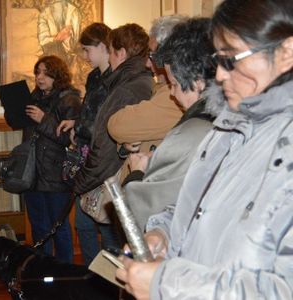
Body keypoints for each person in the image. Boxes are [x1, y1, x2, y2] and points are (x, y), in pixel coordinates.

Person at [117, 0, 293, 298]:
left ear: (286, 53)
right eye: (218, 60)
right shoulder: (229, 125)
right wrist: (165, 233)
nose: (220, 75)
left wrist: (165, 284)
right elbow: (201, 206)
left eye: (231, 59)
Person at [116, 18, 216, 232]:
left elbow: (135, 217)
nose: (172, 93)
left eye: (176, 85)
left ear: (198, 81)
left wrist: (138, 173)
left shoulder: (193, 131)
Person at [72, 23, 153, 253]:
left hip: (109, 175)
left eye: (111, 50)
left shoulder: (128, 88)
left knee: (111, 243)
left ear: (121, 53)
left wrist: (82, 181)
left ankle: (97, 287)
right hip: (106, 171)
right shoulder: (130, 82)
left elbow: (106, 142)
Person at [55, 22, 113, 266]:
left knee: (107, 226)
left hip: (104, 159)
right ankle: (94, 275)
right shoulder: (94, 77)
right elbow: (91, 114)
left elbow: (106, 120)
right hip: (86, 156)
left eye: (88, 50)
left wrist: (79, 126)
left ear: (102, 46)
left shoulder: (116, 78)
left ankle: (112, 280)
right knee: (83, 223)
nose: (85, 56)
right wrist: (76, 122)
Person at [24, 55, 81, 263]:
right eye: (37, 72)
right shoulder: (34, 97)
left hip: (57, 173)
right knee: (39, 226)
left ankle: (64, 273)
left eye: (46, 73)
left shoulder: (70, 99)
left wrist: (43, 119)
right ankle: (43, 270)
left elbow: (70, 139)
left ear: (57, 75)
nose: (40, 78)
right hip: (32, 173)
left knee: (59, 227)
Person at [108, 15, 186, 155]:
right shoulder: (162, 87)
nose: (148, 64)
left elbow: (116, 125)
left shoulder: (173, 95)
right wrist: (124, 145)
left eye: (152, 57)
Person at [37, 0, 81, 65]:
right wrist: (57, 38)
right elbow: (42, 40)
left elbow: (75, 40)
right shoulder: (44, 14)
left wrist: (58, 39)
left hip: (68, 55)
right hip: (51, 52)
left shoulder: (74, 12)